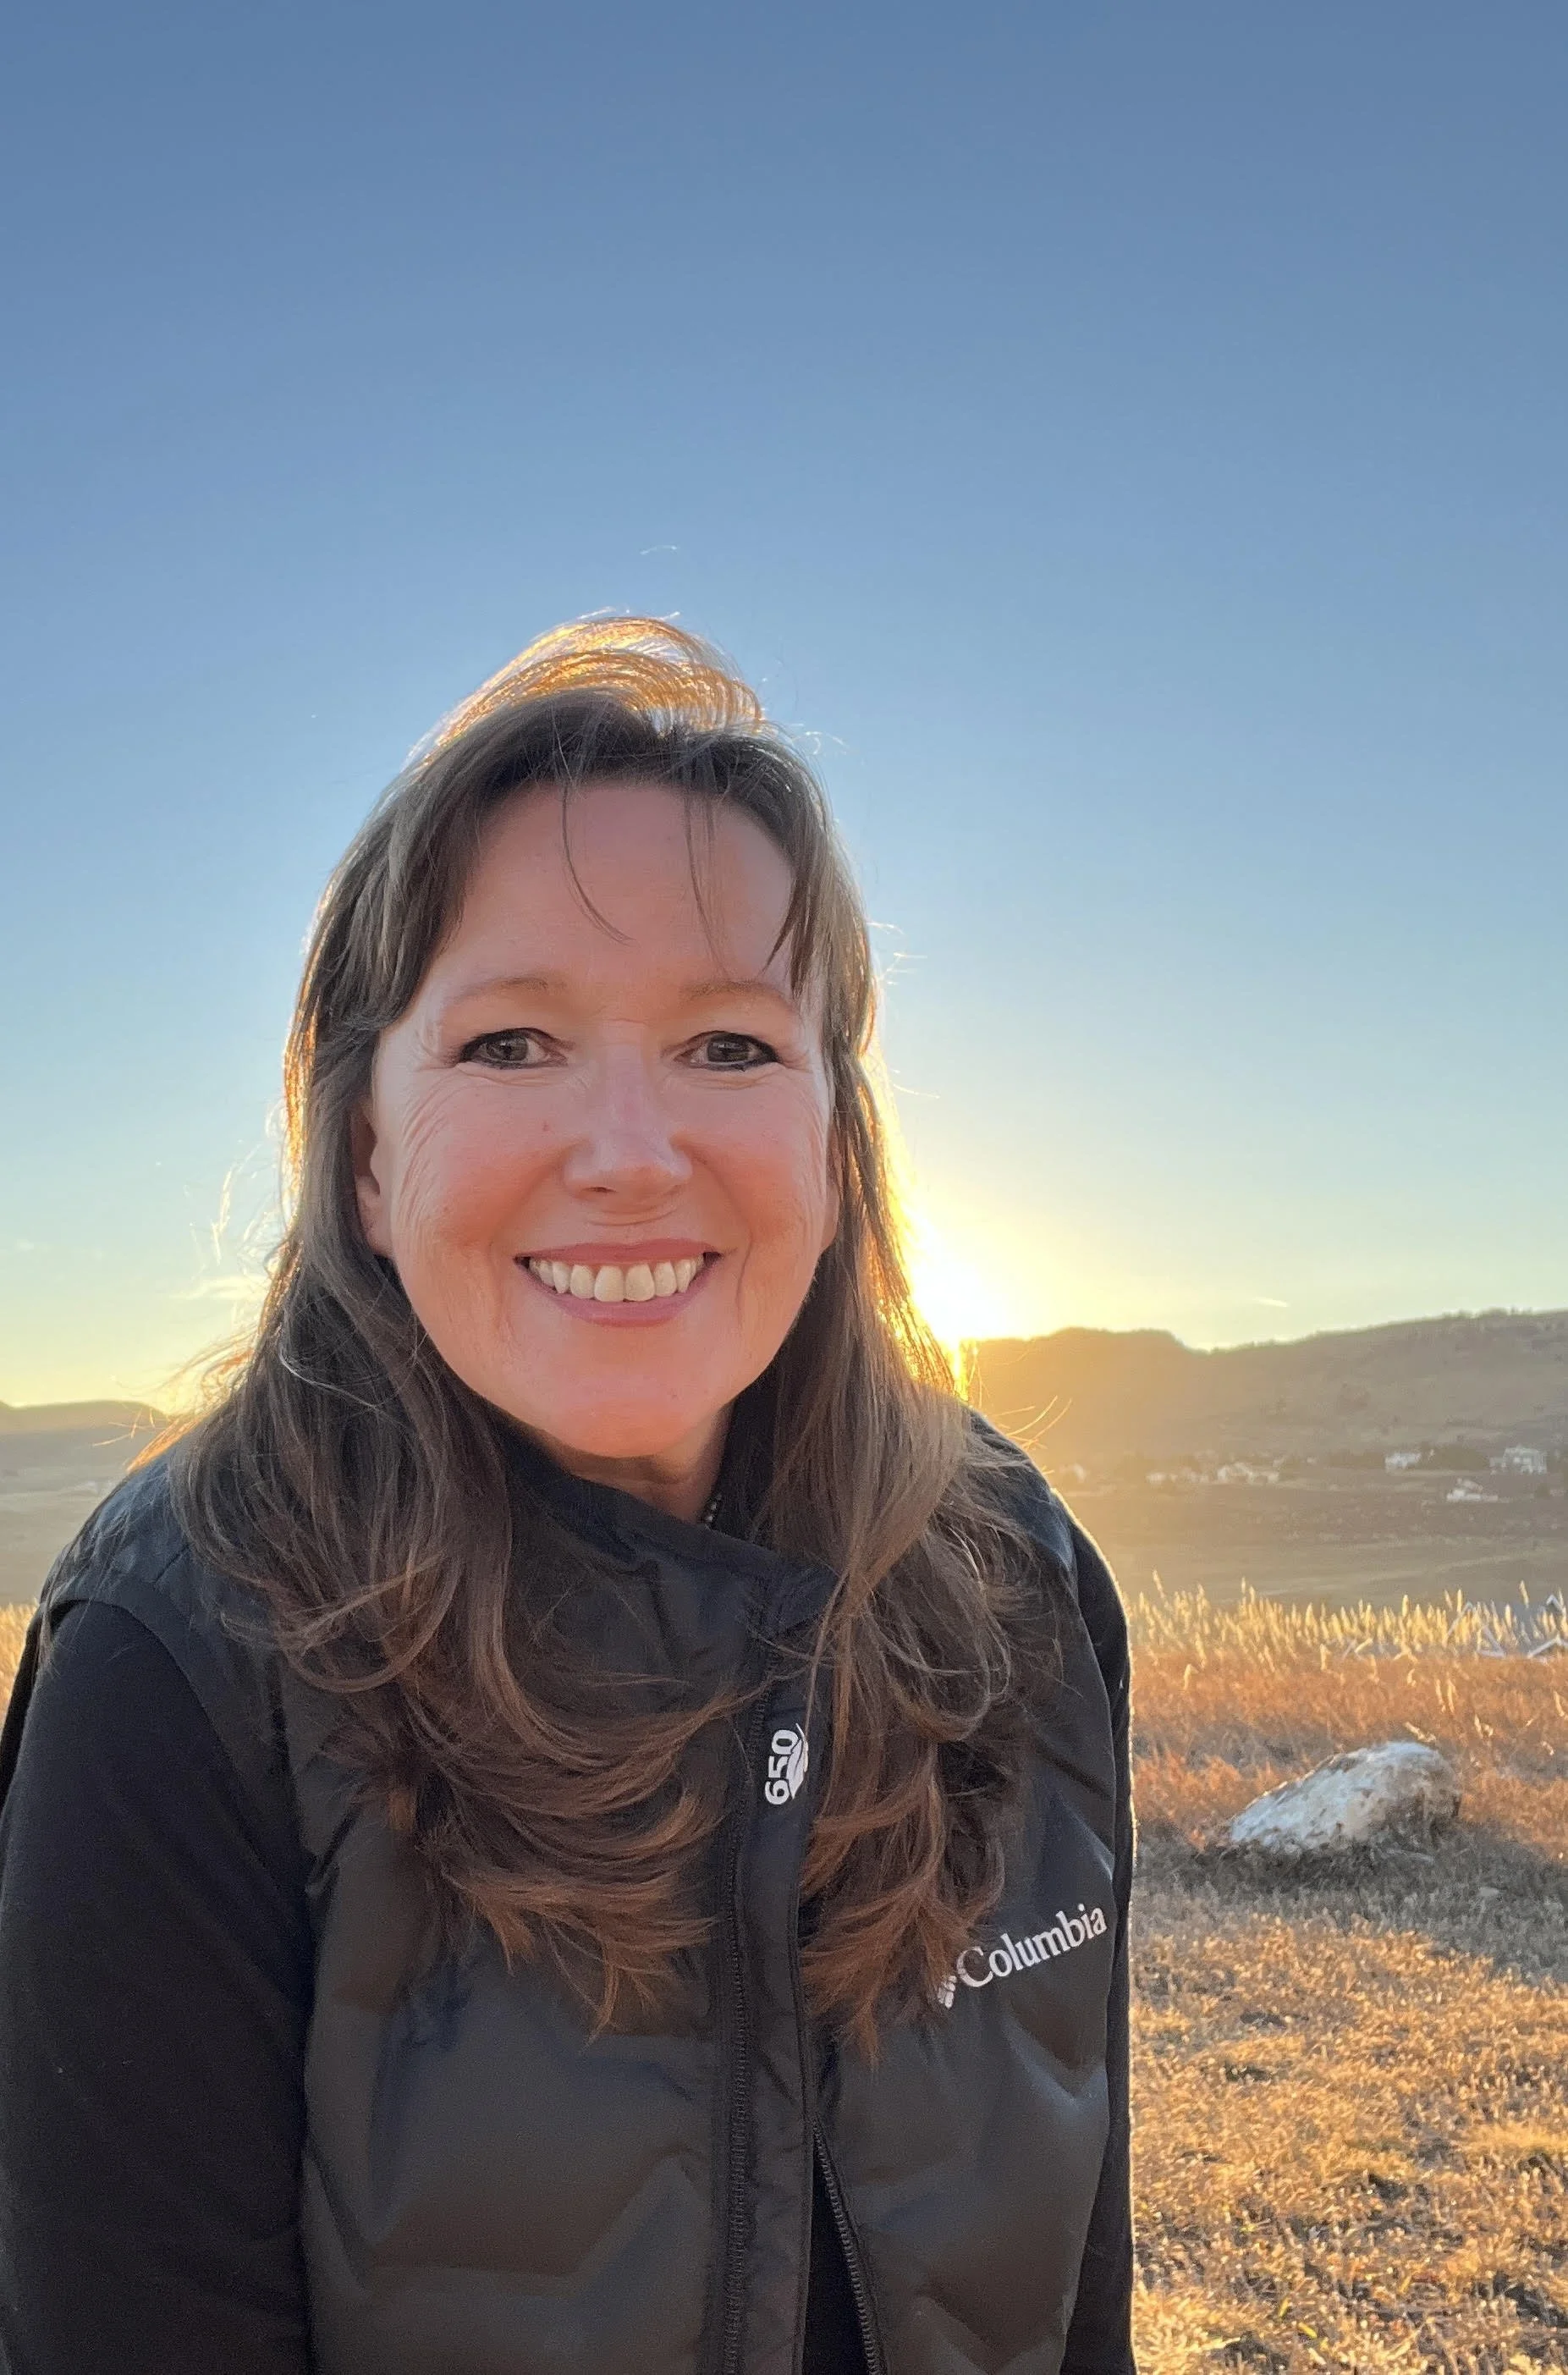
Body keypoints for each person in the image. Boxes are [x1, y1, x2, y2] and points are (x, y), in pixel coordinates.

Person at [0, 619, 1137, 2375]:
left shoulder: (1016, 1587)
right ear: (368, 1157)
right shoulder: (183, 1671)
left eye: (730, 1048)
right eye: (512, 1044)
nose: (626, 1149)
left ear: (836, 1148)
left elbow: (1069, 2306)